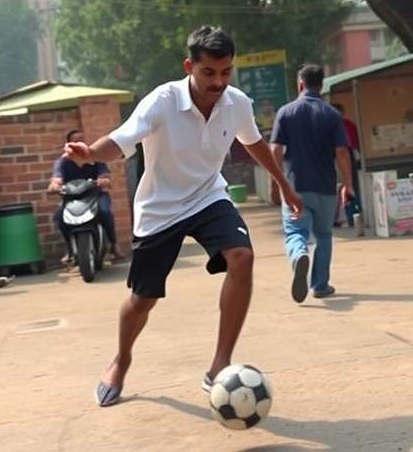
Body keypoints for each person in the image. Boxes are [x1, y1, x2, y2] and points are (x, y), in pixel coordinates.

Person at [65, 25, 303, 408]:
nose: (218, 82)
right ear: (189, 66)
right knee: (142, 300)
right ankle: (121, 360)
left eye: (226, 72)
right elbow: (122, 140)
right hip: (160, 209)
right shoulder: (162, 101)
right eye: (209, 72)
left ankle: (219, 365)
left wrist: (284, 185)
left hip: (208, 197)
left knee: (242, 256)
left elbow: (254, 142)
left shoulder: (237, 103)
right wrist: (91, 153)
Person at [271, 65, 355, 303]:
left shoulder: (286, 112)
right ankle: (320, 285)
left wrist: (276, 183)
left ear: (300, 84)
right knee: (324, 235)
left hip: (295, 188)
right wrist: (348, 184)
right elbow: (342, 152)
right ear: (321, 85)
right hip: (326, 189)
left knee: (295, 231)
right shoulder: (332, 115)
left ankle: (299, 255)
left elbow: (275, 150)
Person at [47, 129, 120, 264]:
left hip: (95, 195)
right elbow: (57, 178)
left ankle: (114, 246)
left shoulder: (94, 157)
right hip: (72, 198)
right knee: (60, 217)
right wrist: (54, 186)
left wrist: (103, 180)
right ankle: (70, 249)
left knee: (105, 212)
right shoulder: (62, 162)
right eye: (75, 141)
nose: (79, 143)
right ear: (69, 144)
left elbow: (104, 174)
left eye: (82, 140)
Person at [331, 102, 362, 227]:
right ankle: (351, 216)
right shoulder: (348, 125)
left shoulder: (336, 126)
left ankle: (346, 217)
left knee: (342, 188)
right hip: (346, 158)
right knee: (349, 187)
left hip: (339, 158)